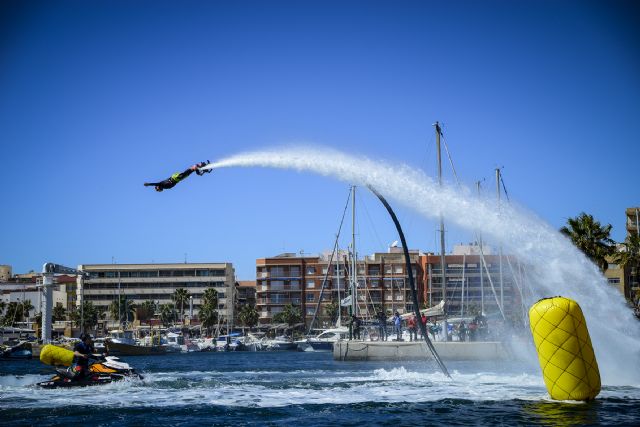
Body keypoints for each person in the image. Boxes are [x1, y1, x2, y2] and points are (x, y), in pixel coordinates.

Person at [144, 161, 210, 192]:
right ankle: (203, 169)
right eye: (158, 190)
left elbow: (154, 184)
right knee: (191, 170)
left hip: (176, 177)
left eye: (158, 189)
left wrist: (148, 184)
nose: (159, 190)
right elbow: (172, 185)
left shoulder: (160, 184)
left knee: (190, 170)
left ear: (158, 187)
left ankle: (201, 166)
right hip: (177, 178)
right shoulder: (164, 187)